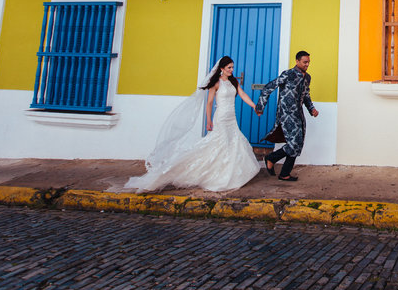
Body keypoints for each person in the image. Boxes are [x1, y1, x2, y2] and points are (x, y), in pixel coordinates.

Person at [125, 56, 262, 192]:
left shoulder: (233, 82)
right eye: (229, 68)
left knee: (232, 142)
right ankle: (208, 173)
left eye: (232, 67)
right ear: (221, 69)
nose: (232, 70)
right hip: (220, 118)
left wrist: (254, 106)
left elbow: (242, 94)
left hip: (232, 118)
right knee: (220, 143)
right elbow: (209, 103)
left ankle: (230, 173)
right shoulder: (216, 83)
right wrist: (208, 120)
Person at [256, 50, 318, 181]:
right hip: (286, 114)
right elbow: (268, 87)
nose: (307, 65)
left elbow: (306, 95)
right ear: (297, 61)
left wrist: (311, 109)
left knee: (297, 143)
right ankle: (276, 164)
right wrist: (260, 106)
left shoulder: (307, 77)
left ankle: (281, 169)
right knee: (293, 143)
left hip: (298, 114)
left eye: (308, 62)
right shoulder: (288, 74)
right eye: (304, 62)